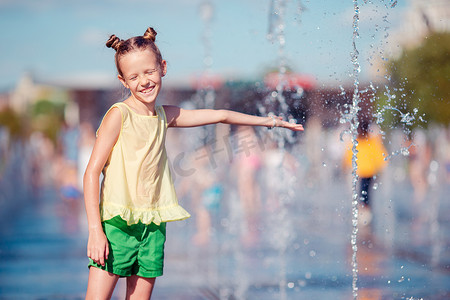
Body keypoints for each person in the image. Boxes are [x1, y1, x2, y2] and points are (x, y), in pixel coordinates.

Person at [83, 27, 304, 299]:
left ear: (162, 67)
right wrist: (95, 230)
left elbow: (220, 115)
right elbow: (92, 172)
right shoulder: (119, 115)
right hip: (117, 223)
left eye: (149, 71)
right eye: (134, 76)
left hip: (152, 224)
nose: (144, 81)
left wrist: (269, 122)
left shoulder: (165, 116)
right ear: (123, 80)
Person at [343, 120, 387, 226]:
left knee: (364, 191)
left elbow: (349, 156)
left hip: (366, 172)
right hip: (368, 172)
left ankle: (364, 212)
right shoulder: (370, 141)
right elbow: (381, 155)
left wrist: (346, 165)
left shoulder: (363, 141)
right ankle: (365, 211)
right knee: (365, 192)